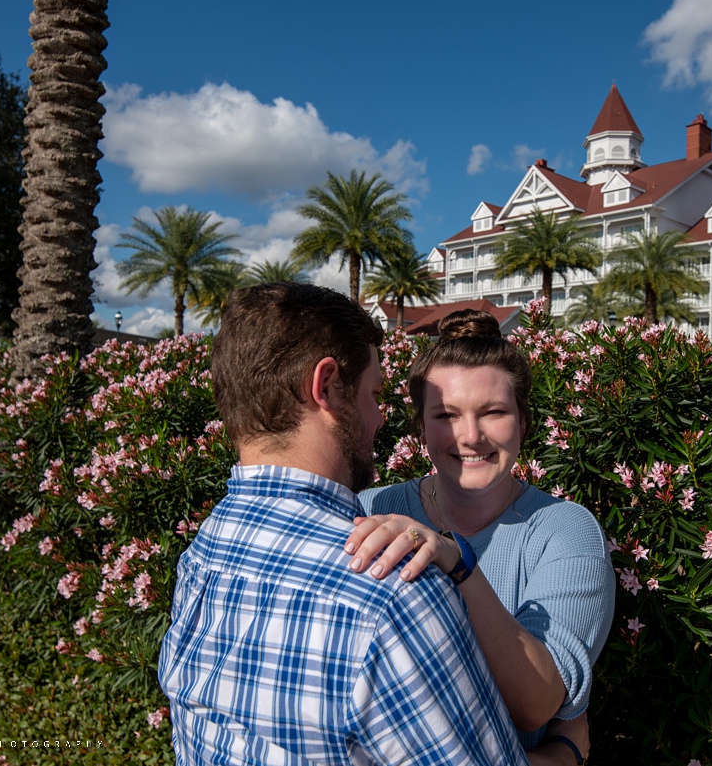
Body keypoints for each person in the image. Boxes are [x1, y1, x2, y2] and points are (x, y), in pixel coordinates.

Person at [158, 283, 588, 766]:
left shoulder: (205, 551)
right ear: (325, 387)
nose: (381, 418)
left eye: (494, 411)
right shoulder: (393, 584)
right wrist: (566, 753)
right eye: (374, 395)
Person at [346, 308, 615, 751]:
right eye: (447, 415)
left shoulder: (564, 531)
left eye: (493, 412)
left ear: (523, 422)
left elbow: (536, 703)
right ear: (421, 427)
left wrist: (457, 564)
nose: (470, 436)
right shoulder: (372, 508)